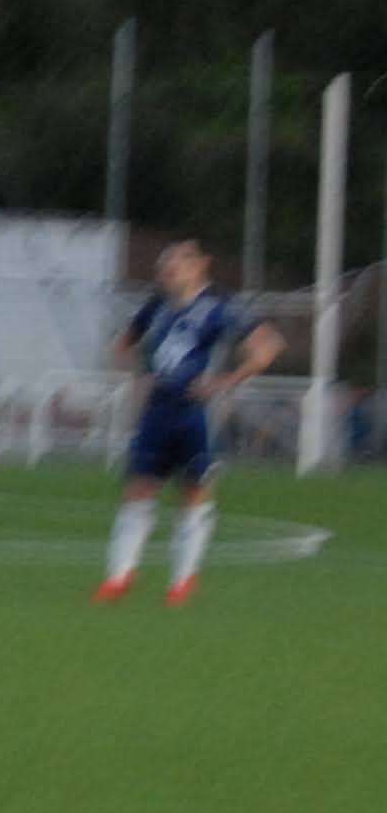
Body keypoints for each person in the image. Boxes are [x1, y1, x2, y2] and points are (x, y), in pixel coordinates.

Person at [96, 236, 283, 606]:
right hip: (156, 410)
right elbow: (122, 344)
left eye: (175, 264)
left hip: (195, 413)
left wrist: (225, 382)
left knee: (193, 493)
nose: (167, 272)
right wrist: (139, 376)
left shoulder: (220, 306)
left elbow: (268, 347)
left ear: (199, 265)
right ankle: (119, 577)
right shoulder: (157, 306)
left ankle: (182, 581)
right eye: (164, 267)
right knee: (138, 490)